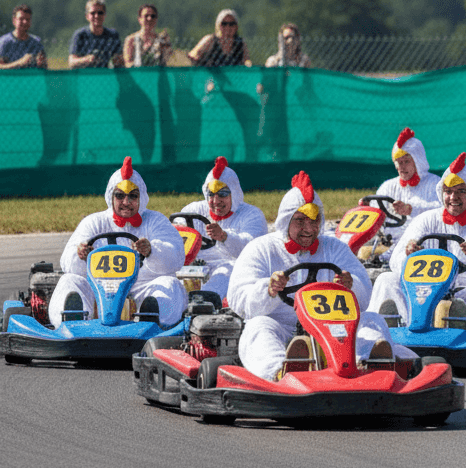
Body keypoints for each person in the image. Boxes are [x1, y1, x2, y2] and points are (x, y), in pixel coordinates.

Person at [227, 171, 407, 382]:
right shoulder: (262, 249)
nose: (309, 229)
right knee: (257, 327)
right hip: (282, 327)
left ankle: (369, 366)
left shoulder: (335, 248)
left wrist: (352, 285)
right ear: (286, 220)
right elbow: (237, 298)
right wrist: (268, 289)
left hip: (334, 330)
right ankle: (281, 371)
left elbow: (365, 297)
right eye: (300, 221)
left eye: (314, 221)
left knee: (371, 320)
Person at [368, 152, 466, 332]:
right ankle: (386, 329)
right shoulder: (426, 220)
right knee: (386, 279)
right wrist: (408, 254)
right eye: (448, 191)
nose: (453, 197)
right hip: (427, 293)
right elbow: (396, 259)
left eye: (461, 191)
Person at [48, 157, 187, 326]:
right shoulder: (94, 222)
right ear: (111, 196)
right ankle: (71, 324)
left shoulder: (155, 220)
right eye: (120, 196)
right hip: (98, 288)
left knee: (169, 283)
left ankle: (152, 321)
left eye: (133, 196)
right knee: (69, 280)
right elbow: (67, 261)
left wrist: (152, 251)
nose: (126, 202)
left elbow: (177, 257)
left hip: (142, 285)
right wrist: (79, 255)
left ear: (141, 197)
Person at [176, 156, 268, 300]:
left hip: (229, 267)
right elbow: (175, 233)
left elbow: (253, 250)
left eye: (223, 194)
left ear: (235, 193)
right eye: (211, 194)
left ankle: (204, 301)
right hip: (196, 267)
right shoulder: (193, 210)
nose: (216, 201)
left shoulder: (252, 215)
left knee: (229, 270)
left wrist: (225, 237)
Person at [362, 128, 441, 220]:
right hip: (391, 232)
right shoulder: (388, 186)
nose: (402, 167)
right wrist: (368, 207)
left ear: (418, 162)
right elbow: (377, 213)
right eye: (399, 162)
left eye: (406, 161)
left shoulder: (435, 183)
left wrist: (412, 209)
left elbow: (442, 210)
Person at [68, 0, 123, 69]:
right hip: (85, 76)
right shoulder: (80, 35)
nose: (97, 16)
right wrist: (86, 60)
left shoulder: (112, 35)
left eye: (100, 13)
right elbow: (71, 62)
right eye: (93, 13)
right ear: (87, 16)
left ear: (105, 15)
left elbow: (120, 59)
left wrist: (117, 60)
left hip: (106, 76)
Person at [187, 9, 252, 67]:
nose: (228, 27)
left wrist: (249, 66)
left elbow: (246, 61)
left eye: (231, 24)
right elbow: (193, 56)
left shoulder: (240, 44)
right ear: (218, 25)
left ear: (236, 27)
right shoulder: (210, 40)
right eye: (224, 24)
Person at [0, 4, 47, 70]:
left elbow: (44, 69)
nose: (25, 22)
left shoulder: (36, 43)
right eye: (21, 19)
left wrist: (42, 64)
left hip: (31, 79)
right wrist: (20, 63)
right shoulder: (4, 42)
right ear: (14, 21)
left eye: (27, 19)